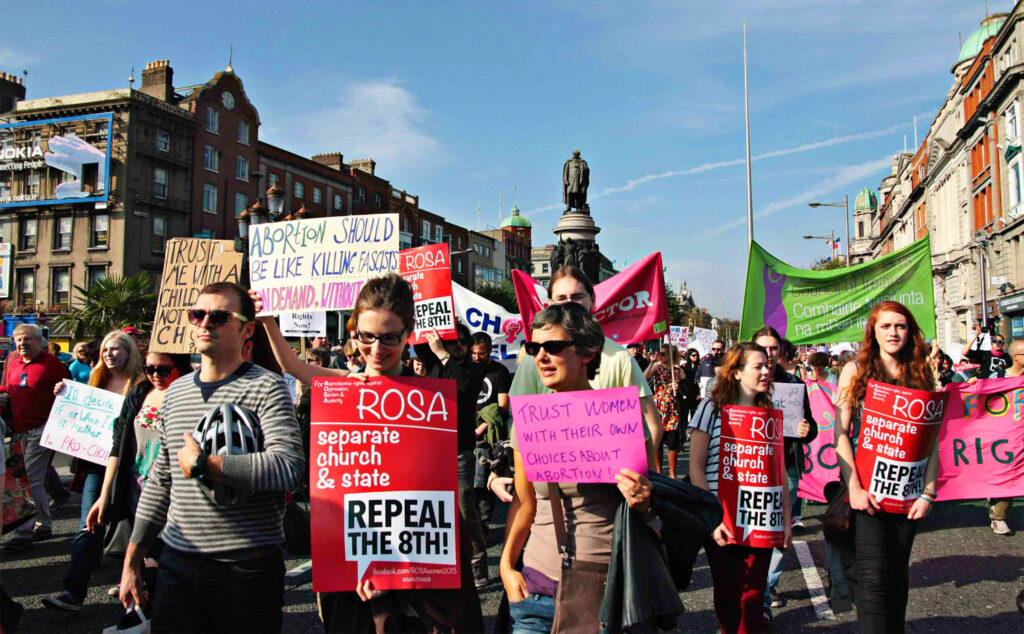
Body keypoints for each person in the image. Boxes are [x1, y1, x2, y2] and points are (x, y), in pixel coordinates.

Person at [254, 275, 484, 632]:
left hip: (422, 559)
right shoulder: (345, 385)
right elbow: (291, 366)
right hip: (359, 562)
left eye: (389, 337)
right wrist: (267, 319)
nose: (377, 348)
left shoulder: (430, 396)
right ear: (355, 332)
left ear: (409, 333)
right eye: (366, 336)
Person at [120, 282, 304, 632]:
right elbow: (160, 481)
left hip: (246, 570)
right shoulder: (175, 392)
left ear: (247, 329)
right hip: (177, 562)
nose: (205, 323)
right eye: (197, 314)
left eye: (219, 316)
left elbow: (289, 467)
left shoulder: (267, 387)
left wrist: (207, 465)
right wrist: (132, 559)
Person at [500, 302, 656, 632]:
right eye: (534, 348)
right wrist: (506, 567)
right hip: (535, 592)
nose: (541, 357)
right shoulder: (531, 420)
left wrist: (644, 501)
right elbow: (524, 503)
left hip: (603, 593)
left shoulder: (620, 418)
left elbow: (653, 506)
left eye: (553, 347)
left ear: (587, 351)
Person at [43, 349, 190, 611]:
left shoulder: (191, 394)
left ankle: (156, 610)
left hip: (175, 487)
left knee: (166, 551)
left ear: (180, 366)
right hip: (137, 485)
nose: (155, 375)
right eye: (149, 368)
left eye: (164, 370)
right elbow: (117, 445)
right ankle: (142, 609)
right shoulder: (140, 393)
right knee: (146, 548)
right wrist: (105, 495)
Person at [834, 301, 940, 633]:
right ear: (873, 332)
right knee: (872, 579)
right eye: (886, 326)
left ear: (910, 332)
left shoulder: (921, 372)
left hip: (909, 494)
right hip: (867, 492)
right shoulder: (855, 370)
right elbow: (840, 433)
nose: (893, 333)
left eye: (900, 326)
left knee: (897, 576)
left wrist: (929, 492)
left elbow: (931, 440)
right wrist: (854, 488)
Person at [689, 342, 791, 634]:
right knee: (728, 594)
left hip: (761, 518)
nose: (766, 371)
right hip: (724, 518)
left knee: (753, 596)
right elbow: (696, 466)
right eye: (758, 366)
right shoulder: (712, 408)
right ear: (736, 372)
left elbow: (779, 472)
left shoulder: (770, 412)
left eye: (767, 365)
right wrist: (712, 518)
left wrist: (785, 520)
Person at [508, 265, 662, 447]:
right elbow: (521, 428)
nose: (569, 304)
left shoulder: (619, 358)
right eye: (561, 298)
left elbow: (651, 424)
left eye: (577, 297)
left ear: (592, 300)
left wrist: (640, 463)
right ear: (549, 303)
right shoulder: (532, 360)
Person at [414, 323, 489, 590]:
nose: (457, 346)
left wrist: (443, 354)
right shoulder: (433, 364)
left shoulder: (473, 369)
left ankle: (478, 560)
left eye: (461, 342)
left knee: (465, 507)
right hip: (430, 448)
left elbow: (461, 387)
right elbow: (417, 340)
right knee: (430, 508)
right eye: (451, 341)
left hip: (459, 450)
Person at [752, 327, 817, 617]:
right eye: (763, 348)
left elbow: (810, 426)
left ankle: (767, 588)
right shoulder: (743, 381)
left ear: (781, 351)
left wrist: (806, 430)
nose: (769, 354)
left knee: (780, 531)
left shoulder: (794, 383)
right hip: (752, 467)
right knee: (753, 530)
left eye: (773, 348)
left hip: (786, 465)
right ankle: (755, 591)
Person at [0, 324, 71, 551]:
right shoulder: (13, 362)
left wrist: (62, 390)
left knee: (28, 479)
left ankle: (24, 532)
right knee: (31, 478)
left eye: (27, 339)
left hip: (42, 429)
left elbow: (70, 393)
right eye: (19, 339)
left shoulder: (53, 364)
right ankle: (44, 523)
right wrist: (4, 396)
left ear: (39, 341)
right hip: (18, 430)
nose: (22, 343)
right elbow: (7, 388)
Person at [988, 339, 1023, 535]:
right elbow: (983, 400)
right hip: (1004, 435)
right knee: (1009, 475)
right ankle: (999, 517)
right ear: (1015, 357)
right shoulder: (998, 376)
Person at [646, 343, 685, 478]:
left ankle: (672, 473)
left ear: (671, 355)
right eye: (660, 353)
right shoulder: (657, 367)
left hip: (672, 407)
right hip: (658, 406)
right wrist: (652, 363)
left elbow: (686, 387)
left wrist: (678, 386)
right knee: (658, 438)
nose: (660, 356)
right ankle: (659, 471)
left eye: (663, 354)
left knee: (672, 440)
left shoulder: (678, 370)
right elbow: (644, 377)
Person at [471, 332, 511, 414]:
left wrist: (485, 420)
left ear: (490, 350)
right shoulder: (464, 370)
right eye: (473, 353)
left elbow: (503, 408)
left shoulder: (501, 372)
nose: (477, 358)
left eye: (481, 354)